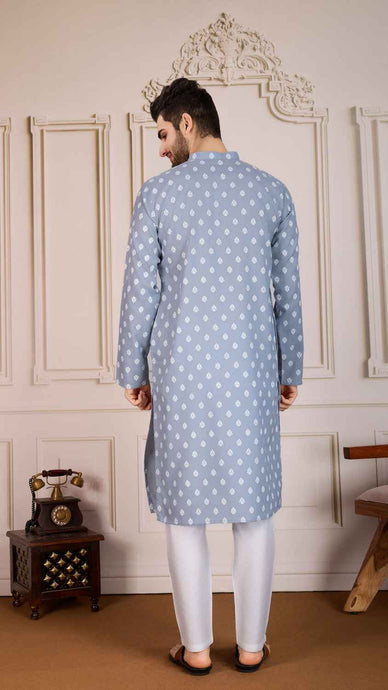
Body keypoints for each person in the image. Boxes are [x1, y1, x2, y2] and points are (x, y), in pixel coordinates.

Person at [116, 78, 304, 674]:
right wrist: (290, 367)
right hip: (252, 370)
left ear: (187, 123)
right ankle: (251, 647)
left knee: (184, 512)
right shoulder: (272, 192)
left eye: (162, 133)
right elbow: (288, 296)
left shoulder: (158, 195)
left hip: (181, 372)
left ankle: (196, 650)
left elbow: (140, 294)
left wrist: (133, 369)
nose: (161, 148)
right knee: (254, 512)